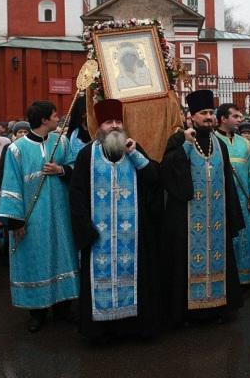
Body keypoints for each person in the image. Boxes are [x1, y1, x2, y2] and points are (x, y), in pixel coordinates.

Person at [70, 99, 162, 341]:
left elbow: (154, 180)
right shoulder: (86, 155)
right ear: (99, 126)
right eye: (109, 122)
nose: (114, 126)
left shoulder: (133, 149)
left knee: (136, 283)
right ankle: (101, 333)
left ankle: (134, 329)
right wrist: (83, 230)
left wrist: (135, 155)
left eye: (118, 121)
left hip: (133, 237)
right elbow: (76, 195)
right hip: (97, 236)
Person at [161, 90, 244, 327]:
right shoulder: (178, 140)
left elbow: (228, 182)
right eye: (203, 113)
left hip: (216, 218)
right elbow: (167, 172)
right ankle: (187, 313)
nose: (209, 117)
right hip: (186, 219)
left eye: (211, 112)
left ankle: (218, 307)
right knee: (184, 264)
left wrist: (232, 217)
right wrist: (186, 146)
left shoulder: (219, 144)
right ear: (191, 116)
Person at [0, 101, 79, 332]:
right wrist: (15, 222)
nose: (58, 118)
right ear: (44, 119)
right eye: (54, 115)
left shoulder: (61, 142)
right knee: (36, 260)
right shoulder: (17, 149)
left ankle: (63, 308)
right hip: (32, 218)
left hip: (60, 215)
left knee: (62, 256)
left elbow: (75, 167)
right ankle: (37, 312)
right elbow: (10, 184)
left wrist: (61, 170)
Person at [215, 104, 250, 286]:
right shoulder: (212, 140)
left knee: (244, 238)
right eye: (236, 116)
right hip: (219, 201)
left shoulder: (245, 144)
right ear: (223, 118)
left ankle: (244, 278)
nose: (240, 119)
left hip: (243, 202)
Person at [0, 121, 31, 197]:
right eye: (20, 132)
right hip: (12, 184)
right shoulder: (8, 147)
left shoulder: (33, 148)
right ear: (15, 134)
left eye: (25, 132)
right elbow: (2, 168)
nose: (23, 134)